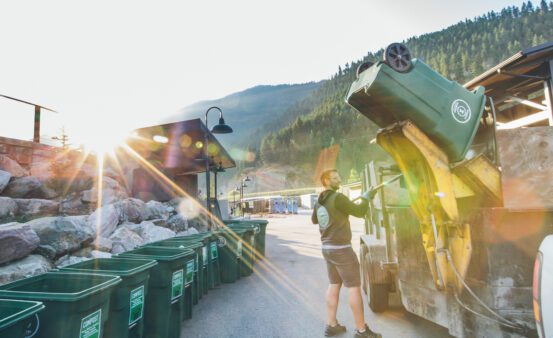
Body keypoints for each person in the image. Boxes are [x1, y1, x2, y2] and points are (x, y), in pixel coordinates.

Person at [312, 169, 381, 338]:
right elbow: (359, 212)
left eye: (338, 176)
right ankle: (361, 330)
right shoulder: (339, 198)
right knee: (354, 287)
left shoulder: (319, 201)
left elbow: (315, 220)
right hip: (341, 249)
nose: (339, 179)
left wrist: (339, 210)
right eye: (334, 177)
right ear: (326, 181)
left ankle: (332, 325)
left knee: (334, 284)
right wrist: (366, 198)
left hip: (327, 248)